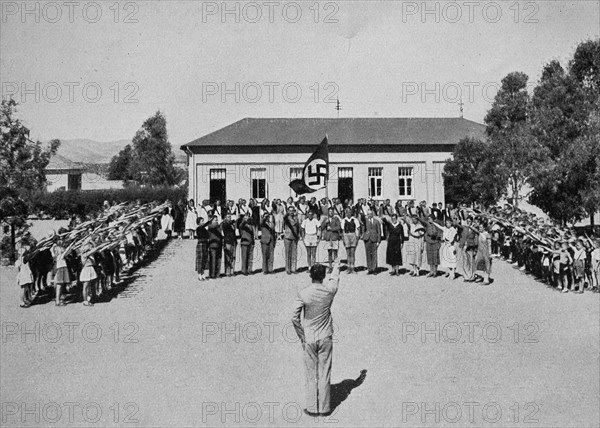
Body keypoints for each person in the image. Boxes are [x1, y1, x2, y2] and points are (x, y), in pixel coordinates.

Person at [292, 260, 340, 417]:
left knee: (311, 373)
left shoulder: (304, 293)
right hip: (326, 335)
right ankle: (325, 408)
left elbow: (294, 317)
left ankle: (312, 408)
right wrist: (337, 265)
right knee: (325, 371)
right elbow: (335, 279)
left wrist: (301, 335)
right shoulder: (329, 291)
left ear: (311, 276)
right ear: (323, 276)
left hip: (310, 337)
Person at [321, 207, 342, 273]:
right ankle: (330, 267)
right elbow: (321, 227)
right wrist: (325, 223)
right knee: (329, 253)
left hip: (334, 236)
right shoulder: (325, 219)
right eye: (330, 211)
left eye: (332, 211)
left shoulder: (336, 219)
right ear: (328, 212)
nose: (331, 212)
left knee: (335, 253)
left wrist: (332, 228)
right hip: (328, 237)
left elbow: (339, 227)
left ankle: (336, 267)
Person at [341, 208, 361, 274]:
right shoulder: (344, 220)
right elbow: (343, 230)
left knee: (352, 253)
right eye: (347, 212)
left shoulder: (355, 220)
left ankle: (353, 268)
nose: (348, 213)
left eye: (350, 212)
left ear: (351, 213)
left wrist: (357, 237)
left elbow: (358, 228)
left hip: (353, 235)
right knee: (348, 253)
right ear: (346, 213)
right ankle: (348, 267)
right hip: (346, 235)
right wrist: (343, 238)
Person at [362, 209, 381, 275]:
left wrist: (378, 241)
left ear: (372, 214)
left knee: (374, 254)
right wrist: (364, 236)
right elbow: (363, 229)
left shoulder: (376, 221)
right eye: (367, 214)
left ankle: (374, 269)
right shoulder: (365, 221)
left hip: (374, 239)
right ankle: (369, 269)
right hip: (367, 239)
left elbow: (379, 232)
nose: (368, 215)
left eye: (369, 214)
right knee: (368, 254)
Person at [16, 239, 34, 308]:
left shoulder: (22, 253)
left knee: (25, 288)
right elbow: (28, 256)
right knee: (23, 288)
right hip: (24, 273)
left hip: (25, 272)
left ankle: (23, 300)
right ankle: (21, 302)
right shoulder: (23, 254)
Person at [283, 206, 301, 275]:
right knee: (288, 254)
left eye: (292, 211)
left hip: (295, 237)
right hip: (288, 237)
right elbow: (283, 224)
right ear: (288, 211)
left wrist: (299, 235)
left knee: (294, 253)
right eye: (290, 211)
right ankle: (288, 269)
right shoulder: (286, 218)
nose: (291, 212)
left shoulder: (296, 218)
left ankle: (294, 268)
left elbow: (298, 227)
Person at [195, 217, 211, 281]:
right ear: (198, 223)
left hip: (205, 244)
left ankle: (203, 273)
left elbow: (208, 235)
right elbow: (206, 235)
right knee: (200, 260)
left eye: (203, 221)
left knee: (204, 259)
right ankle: (199, 274)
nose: (203, 222)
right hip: (200, 244)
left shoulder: (204, 229)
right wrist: (208, 222)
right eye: (201, 221)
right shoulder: (198, 228)